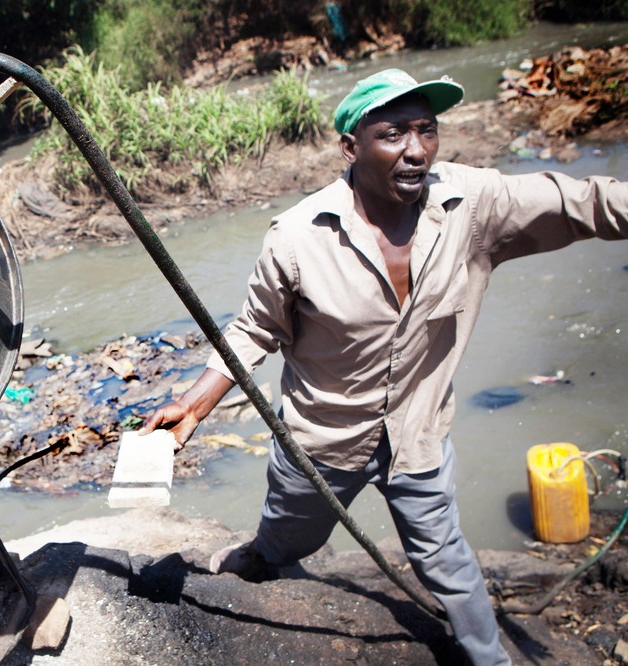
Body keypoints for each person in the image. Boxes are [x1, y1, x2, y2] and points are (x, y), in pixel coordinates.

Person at [141, 68, 628, 665]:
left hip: (417, 434)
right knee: (287, 539)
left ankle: (491, 661)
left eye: (427, 130)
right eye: (394, 134)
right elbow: (254, 328)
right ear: (351, 147)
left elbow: (581, 202)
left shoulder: (471, 204)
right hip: (323, 439)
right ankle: (259, 556)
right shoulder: (298, 237)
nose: (417, 150)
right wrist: (194, 405)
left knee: (445, 559)